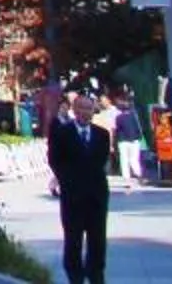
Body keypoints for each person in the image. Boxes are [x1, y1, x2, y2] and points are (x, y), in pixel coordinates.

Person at [48, 87, 115, 284]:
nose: (86, 113)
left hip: (96, 194)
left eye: (90, 109)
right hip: (72, 194)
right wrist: (66, 180)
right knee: (73, 239)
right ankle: (75, 275)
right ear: (75, 110)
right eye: (82, 108)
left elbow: (101, 160)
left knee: (97, 239)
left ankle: (96, 274)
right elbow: (54, 159)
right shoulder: (62, 132)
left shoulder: (102, 134)